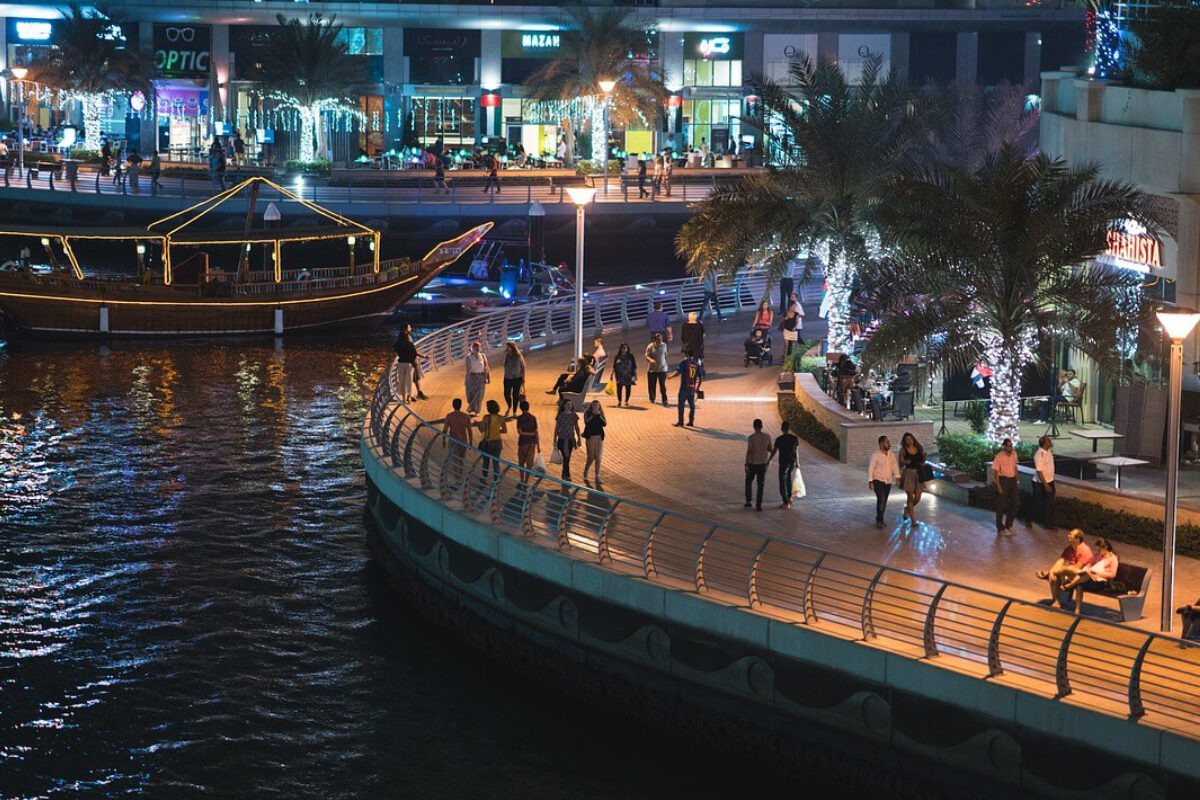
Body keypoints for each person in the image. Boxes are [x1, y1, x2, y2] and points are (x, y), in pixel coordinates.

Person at [1036, 529, 1094, 607]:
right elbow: (1060, 560)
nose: (1068, 536)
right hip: (1069, 572)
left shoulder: (1085, 550)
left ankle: (1048, 573)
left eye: (1071, 535)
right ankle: (1056, 601)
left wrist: (1058, 570)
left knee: (1061, 571)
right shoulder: (1069, 548)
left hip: (1081, 576)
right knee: (1055, 575)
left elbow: (1077, 568)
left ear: (1077, 539)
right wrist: (1053, 570)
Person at [868, 435, 902, 528]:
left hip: (888, 481)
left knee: (884, 500)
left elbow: (895, 466)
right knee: (881, 499)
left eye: (889, 441)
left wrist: (897, 477)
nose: (889, 443)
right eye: (887, 442)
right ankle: (880, 520)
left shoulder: (891, 454)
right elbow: (871, 468)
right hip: (878, 480)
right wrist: (870, 481)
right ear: (881, 443)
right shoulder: (876, 455)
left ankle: (879, 517)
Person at [442, 398, 474, 487]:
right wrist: (471, 442)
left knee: (455, 461)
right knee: (461, 460)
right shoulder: (466, 416)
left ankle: (457, 480)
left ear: (453, 405)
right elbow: (469, 430)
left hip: (453, 440)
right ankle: (460, 477)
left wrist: (443, 440)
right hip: (463, 440)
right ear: (461, 405)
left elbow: (444, 430)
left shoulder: (449, 416)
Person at [769, 420, 801, 510]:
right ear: (789, 429)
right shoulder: (794, 438)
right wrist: (797, 462)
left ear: (782, 429)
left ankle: (785, 502)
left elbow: (774, 451)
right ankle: (789, 499)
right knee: (788, 480)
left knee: (782, 482)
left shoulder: (779, 439)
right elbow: (796, 452)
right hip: (791, 462)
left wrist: (769, 460)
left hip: (783, 463)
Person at [670, 347, 704, 428]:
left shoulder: (684, 362)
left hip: (684, 388)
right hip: (692, 388)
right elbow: (701, 377)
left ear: (686, 354)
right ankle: (691, 422)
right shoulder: (696, 364)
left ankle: (681, 422)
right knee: (692, 406)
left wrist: (671, 376)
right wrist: (697, 387)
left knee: (681, 405)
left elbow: (678, 372)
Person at [992, 437, 1020, 536]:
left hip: (1012, 480)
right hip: (1003, 480)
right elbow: (995, 472)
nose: (1010, 447)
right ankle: (1000, 527)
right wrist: (998, 485)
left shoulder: (1014, 454)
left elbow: (1015, 467)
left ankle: (1009, 524)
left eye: (1011, 445)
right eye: (1008, 446)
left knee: (1016, 503)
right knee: (1001, 505)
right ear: (1004, 446)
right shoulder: (999, 456)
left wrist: (1017, 480)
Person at [475, 399, 508, 482]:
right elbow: (504, 430)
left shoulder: (486, 417)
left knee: (486, 462)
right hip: (497, 442)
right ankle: (496, 480)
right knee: (496, 462)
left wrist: (478, 425)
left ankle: (484, 478)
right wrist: (497, 431)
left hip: (488, 442)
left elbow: (482, 430)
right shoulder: (501, 418)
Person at [898, 432, 926, 526]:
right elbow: (900, 463)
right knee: (910, 497)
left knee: (917, 498)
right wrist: (905, 462)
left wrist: (924, 459)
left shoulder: (919, 448)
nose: (909, 441)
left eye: (910, 439)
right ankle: (913, 520)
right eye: (907, 440)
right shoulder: (903, 450)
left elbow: (922, 460)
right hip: (909, 474)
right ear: (904, 441)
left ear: (913, 439)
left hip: (919, 474)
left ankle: (907, 509)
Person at [393, 324, 425, 403]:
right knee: (409, 381)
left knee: (402, 381)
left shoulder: (397, 344)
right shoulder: (410, 344)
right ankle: (409, 397)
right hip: (409, 364)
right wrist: (425, 356)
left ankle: (403, 398)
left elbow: (395, 350)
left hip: (401, 363)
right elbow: (414, 353)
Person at [1029, 435, 1056, 530]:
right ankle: (1029, 519)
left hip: (1050, 481)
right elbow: (1039, 471)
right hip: (1040, 483)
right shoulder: (1039, 455)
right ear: (1044, 443)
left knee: (1050, 503)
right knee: (1036, 502)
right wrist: (1046, 485)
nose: (1050, 442)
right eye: (1049, 441)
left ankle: (1048, 523)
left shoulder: (1048, 451)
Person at [744, 418, 771, 511]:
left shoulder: (751, 438)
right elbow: (770, 449)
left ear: (754, 427)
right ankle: (758, 505)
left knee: (748, 482)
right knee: (760, 485)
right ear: (762, 426)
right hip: (762, 464)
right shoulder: (767, 437)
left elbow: (749, 452)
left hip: (752, 463)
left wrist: (746, 464)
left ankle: (748, 501)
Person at [554, 397, 581, 481]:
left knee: (567, 457)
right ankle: (567, 474)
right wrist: (554, 439)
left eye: (571, 404)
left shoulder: (574, 415)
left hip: (570, 439)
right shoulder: (560, 415)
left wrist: (579, 438)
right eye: (568, 404)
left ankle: (565, 473)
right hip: (562, 439)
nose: (570, 406)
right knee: (566, 456)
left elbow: (577, 427)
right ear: (564, 405)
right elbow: (557, 428)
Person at [581, 399, 607, 483]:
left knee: (598, 456)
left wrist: (599, 416)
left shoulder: (601, 413)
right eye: (594, 405)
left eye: (597, 406)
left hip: (599, 436)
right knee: (591, 456)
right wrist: (593, 415)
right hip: (590, 436)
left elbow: (604, 424)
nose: (595, 407)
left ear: (599, 406)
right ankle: (586, 469)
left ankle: (597, 476)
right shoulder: (587, 413)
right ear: (591, 406)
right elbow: (586, 422)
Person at [464, 340, 489, 415]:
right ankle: (472, 408)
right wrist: (469, 380)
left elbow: (486, 367)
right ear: (472, 348)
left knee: (480, 394)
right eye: (476, 348)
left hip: (481, 376)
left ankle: (477, 410)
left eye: (478, 347)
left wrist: (487, 376)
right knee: (471, 394)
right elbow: (468, 370)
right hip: (472, 376)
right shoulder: (468, 357)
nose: (477, 349)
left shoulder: (482, 356)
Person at [515, 399, 540, 473]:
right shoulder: (533, 418)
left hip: (523, 442)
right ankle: (526, 480)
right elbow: (536, 432)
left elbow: (520, 432)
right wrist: (538, 446)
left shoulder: (520, 418)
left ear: (520, 408)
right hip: (532, 442)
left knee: (521, 462)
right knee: (529, 462)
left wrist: (528, 434)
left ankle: (522, 479)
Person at [644, 332, 669, 406]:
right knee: (652, 385)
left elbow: (665, 355)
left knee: (663, 386)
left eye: (661, 339)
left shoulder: (664, 345)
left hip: (662, 369)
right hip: (652, 370)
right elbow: (646, 356)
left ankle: (664, 400)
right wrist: (651, 360)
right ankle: (652, 398)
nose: (660, 341)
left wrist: (665, 365)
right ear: (655, 340)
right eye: (658, 339)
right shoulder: (650, 346)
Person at [502, 341, 526, 416]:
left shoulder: (518, 356)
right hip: (507, 378)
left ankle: (514, 411)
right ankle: (509, 406)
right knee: (506, 394)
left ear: (512, 347)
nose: (507, 348)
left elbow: (523, 367)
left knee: (515, 395)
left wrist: (523, 377)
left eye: (508, 347)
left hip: (517, 378)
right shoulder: (507, 356)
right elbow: (503, 364)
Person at [612, 342, 637, 407]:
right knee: (619, 389)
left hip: (628, 375)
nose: (624, 349)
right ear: (620, 348)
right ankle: (619, 401)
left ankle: (626, 401)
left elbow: (634, 366)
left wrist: (635, 375)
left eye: (626, 347)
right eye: (623, 347)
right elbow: (614, 366)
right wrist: (612, 374)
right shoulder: (617, 357)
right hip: (619, 375)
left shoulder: (630, 356)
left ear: (628, 348)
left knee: (628, 388)